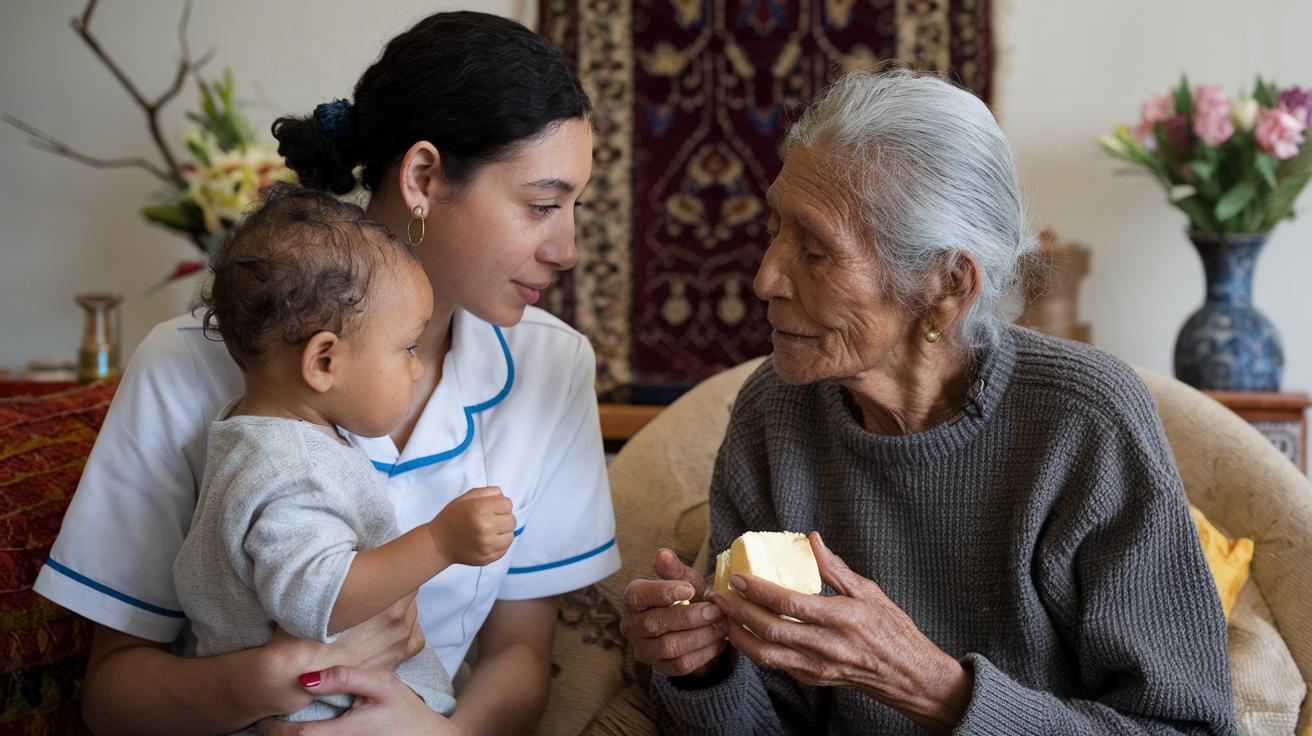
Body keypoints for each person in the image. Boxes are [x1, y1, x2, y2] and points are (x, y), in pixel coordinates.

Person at [34, 11, 618, 735]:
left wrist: (439, 734)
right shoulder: (184, 366)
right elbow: (113, 696)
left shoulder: (553, 365)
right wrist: (271, 683)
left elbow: (519, 655)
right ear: (423, 177)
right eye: (542, 206)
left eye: (575, 206)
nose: (566, 249)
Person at [619, 68, 1239, 735]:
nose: (766, 277)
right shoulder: (774, 413)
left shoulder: (1085, 422)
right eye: (774, 230)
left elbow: (1189, 729)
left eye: (815, 250)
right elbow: (773, 722)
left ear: (947, 284)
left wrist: (936, 689)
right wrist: (704, 670)